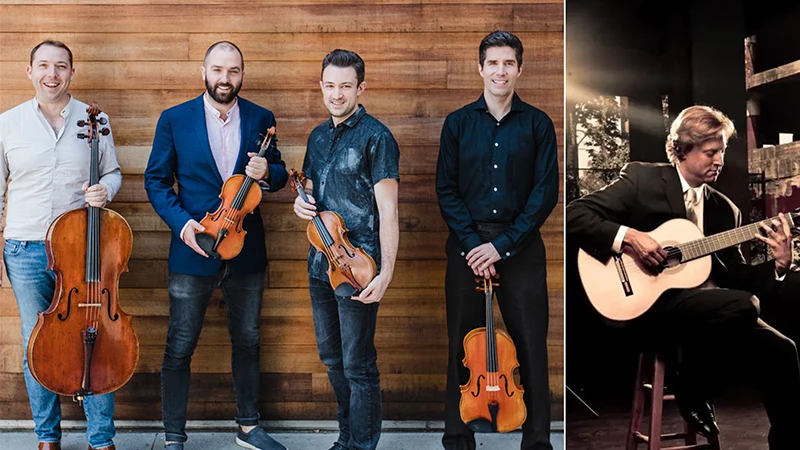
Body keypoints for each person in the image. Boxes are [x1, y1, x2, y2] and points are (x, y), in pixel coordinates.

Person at [565, 104, 800, 449]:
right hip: (646, 308)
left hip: (710, 313)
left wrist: (778, 265)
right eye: (710, 152)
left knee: (784, 348)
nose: (719, 160)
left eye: (721, 151)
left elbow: (736, 277)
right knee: (744, 305)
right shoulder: (642, 179)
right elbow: (574, 216)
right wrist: (629, 238)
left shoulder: (725, 209)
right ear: (681, 150)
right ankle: (692, 385)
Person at [144, 41, 288, 450]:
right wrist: (184, 226)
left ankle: (248, 427)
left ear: (242, 73)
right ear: (204, 72)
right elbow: (155, 181)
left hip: (246, 247)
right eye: (218, 70)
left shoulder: (262, 117)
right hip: (193, 247)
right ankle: (174, 436)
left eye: (234, 71)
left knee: (248, 338)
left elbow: (275, 173)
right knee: (181, 342)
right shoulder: (174, 119)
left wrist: (269, 172)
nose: (226, 79)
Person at [435, 30, 560, 450]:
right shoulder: (457, 123)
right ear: (480, 68)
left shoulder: (539, 124)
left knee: (531, 348)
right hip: (467, 250)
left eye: (508, 63)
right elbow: (446, 190)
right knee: (461, 346)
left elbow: (544, 195)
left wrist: (502, 245)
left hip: (520, 249)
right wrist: (475, 246)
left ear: (519, 69)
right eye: (493, 63)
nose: (500, 71)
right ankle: (457, 438)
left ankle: (537, 442)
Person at [0, 40, 120, 450]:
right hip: (25, 247)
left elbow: (114, 173)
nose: (53, 73)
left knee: (97, 333)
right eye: (45, 66)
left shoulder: (95, 119)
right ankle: (47, 438)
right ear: (29, 71)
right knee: (37, 343)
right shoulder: (8, 123)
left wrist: (105, 189)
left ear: (72, 72)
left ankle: (101, 439)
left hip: (82, 249)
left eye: (61, 66)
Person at [293, 49, 400, 450]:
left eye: (346, 86)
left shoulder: (377, 137)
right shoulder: (317, 136)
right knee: (332, 359)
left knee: (358, 365)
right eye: (330, 85)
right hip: (320, 264)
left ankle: (361, 445)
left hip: (358, 267)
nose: (337, 94)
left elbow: (389, 211)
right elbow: (311, 192)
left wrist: (386, 273)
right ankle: (346, 438)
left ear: (361, 88)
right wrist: (300, 201)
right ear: (321, 85)